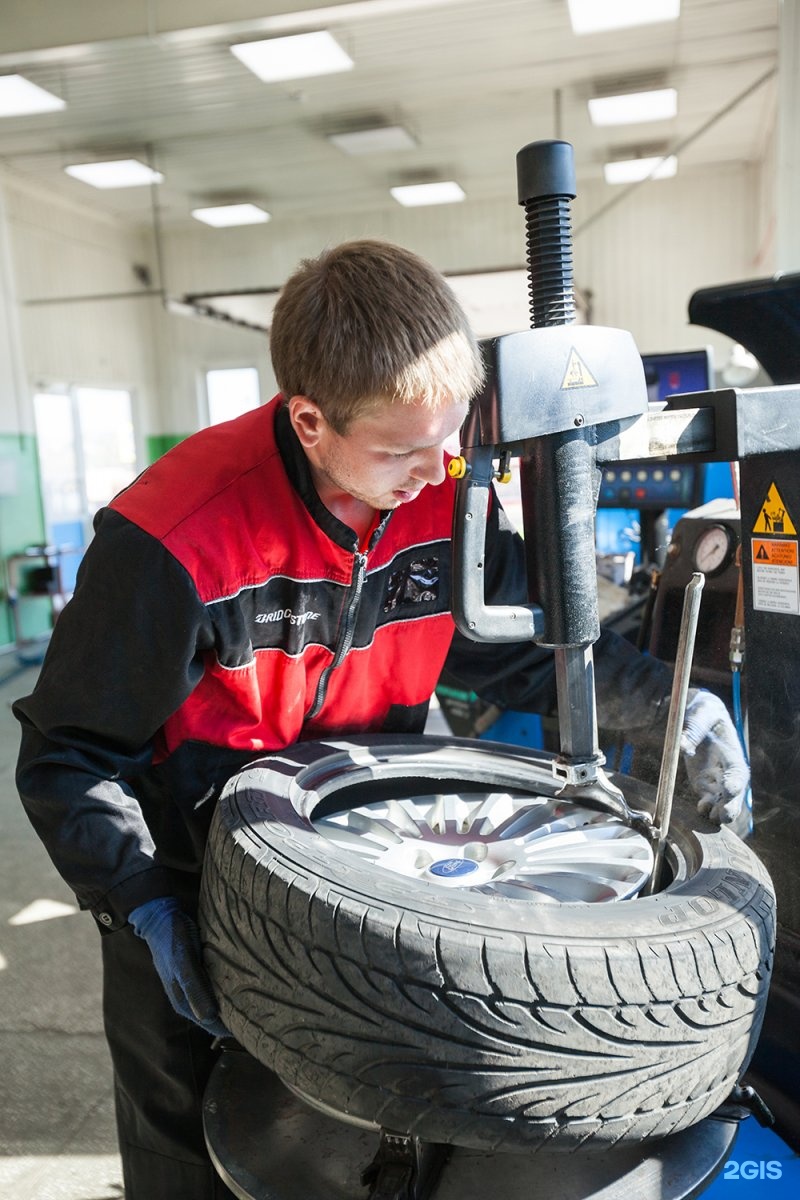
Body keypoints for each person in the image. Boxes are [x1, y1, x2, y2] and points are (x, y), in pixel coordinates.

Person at [14, 239, 749, 1198]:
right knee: (184, 1133)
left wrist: (668, 704)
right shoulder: (175, 536)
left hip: (388, 863)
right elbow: (70, 753)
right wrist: (139, 900)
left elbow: (518, 647)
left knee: (383, 1131)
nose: (432, 471)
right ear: (309, 419)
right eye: (401, 449)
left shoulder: (444, 496)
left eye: (445, 440)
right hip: (193, 873)